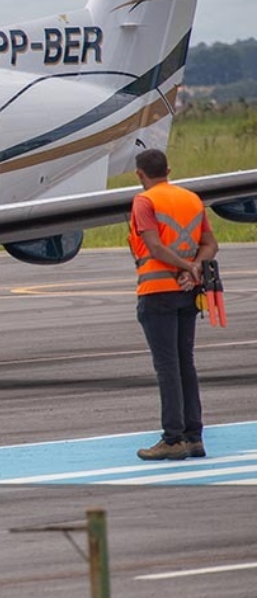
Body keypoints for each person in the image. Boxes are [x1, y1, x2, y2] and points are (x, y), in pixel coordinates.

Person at [129, 149, 217, 460]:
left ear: (140, 174)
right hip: (187, 293)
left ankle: (173, 437)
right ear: (169, 169)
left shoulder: (144, 201)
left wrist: (184, 266)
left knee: (167, 367)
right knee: (185, 364)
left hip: (156, 292)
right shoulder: (192, 199)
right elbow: (210, 243)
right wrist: (194, 267)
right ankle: (194, 437)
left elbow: (153, 246)